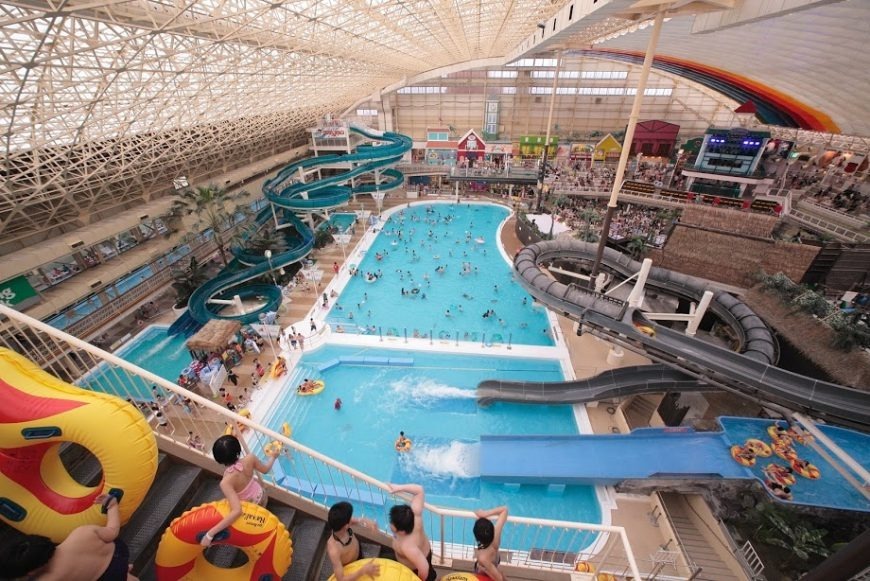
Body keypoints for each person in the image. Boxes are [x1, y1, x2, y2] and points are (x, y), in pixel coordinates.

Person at [0, 493, 137, 580]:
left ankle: (124, 573)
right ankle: (125, 571)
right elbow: (112, 531)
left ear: (30, 572)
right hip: (118, 555)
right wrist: (112, 506)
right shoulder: (82, 533)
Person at [201, 434, 280, 547]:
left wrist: (210, 534)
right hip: (263, 496)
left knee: (229, 511)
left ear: (219, 460)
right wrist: (273, 457)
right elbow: (266, 470)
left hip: (251, 510)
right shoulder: (250, 458)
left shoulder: (226, 482)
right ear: (238, 450)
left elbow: (237, 511)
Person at [388, 483, 435, 581]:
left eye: (392, 522)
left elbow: (424, 568)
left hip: (414, 569)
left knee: (429, 576)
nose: (390, 523)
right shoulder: (415, 513)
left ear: (402, 532)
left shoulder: (408, 547)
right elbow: (419, 490)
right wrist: (399, 487)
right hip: (423, 554)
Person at [325, 502, 380, 581]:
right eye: (350, 518)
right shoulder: (334, 550)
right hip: (351, 566)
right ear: (346, 526)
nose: (352, 519)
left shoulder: (341, 525)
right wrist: (363, 571)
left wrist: (365, 521)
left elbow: (356, 520)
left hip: (358, 554)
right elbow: (341, 579)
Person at [472, 506, 508, 581]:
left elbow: (499, 579)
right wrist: (485, 513)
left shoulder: (482, 557)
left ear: (476, 538)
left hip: (485, 568)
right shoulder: (496, 532)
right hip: (495, 559)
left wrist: (484, 569)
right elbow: (504, 509)